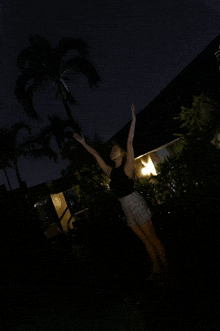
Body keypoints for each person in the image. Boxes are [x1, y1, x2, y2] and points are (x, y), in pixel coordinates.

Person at [73, 103, 167, 279]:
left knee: (152, 236)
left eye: (115, 149)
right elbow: (95, 155)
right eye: (111, 150)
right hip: (125, 206)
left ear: (122, 154)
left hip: (134, 201)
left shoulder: (128, 167)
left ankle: (166, 267)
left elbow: (130, 141)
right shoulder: (110, 171)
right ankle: (156, 268)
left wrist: (134, 118)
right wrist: (83, 143)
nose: (112, 151)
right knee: (144, 240)